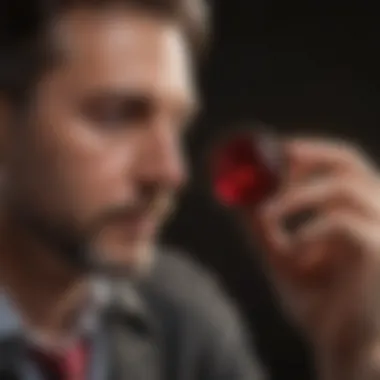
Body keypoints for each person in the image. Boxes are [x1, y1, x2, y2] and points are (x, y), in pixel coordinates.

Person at [0, 1, 380, 379]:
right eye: (118, 115)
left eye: (178, 126)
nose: (170, 172)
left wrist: (353, 355)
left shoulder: (181, 312)